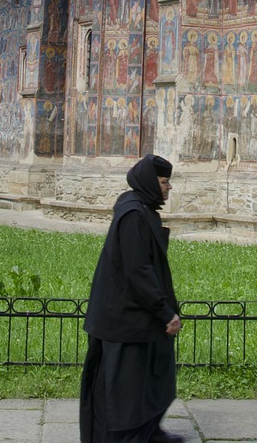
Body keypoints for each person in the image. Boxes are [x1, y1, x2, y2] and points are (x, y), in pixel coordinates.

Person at [79, 154, 183, 443]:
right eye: (164, 182)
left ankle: (148, 432)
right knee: (123, 391)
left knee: (152, 379)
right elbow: (138, 270)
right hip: (123, 320)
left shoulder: (140, 208)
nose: (169, 187)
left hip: (134, 318)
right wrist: (166, 313)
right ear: (150, 182)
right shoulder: (133, 214)